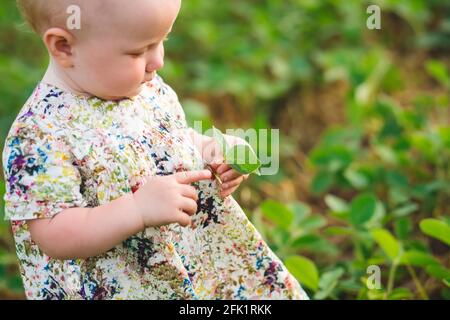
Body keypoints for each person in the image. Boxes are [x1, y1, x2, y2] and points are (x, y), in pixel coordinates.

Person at [2, 0, 309, 300]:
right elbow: (54, 233)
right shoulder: (40, 134)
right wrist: (136, 210)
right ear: (64, 46)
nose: (158, 60)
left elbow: (166, 138)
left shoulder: (145, 88)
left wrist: (211, 150)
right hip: (123, 284)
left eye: (162, 40)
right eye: (138, 51)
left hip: (195, 262)